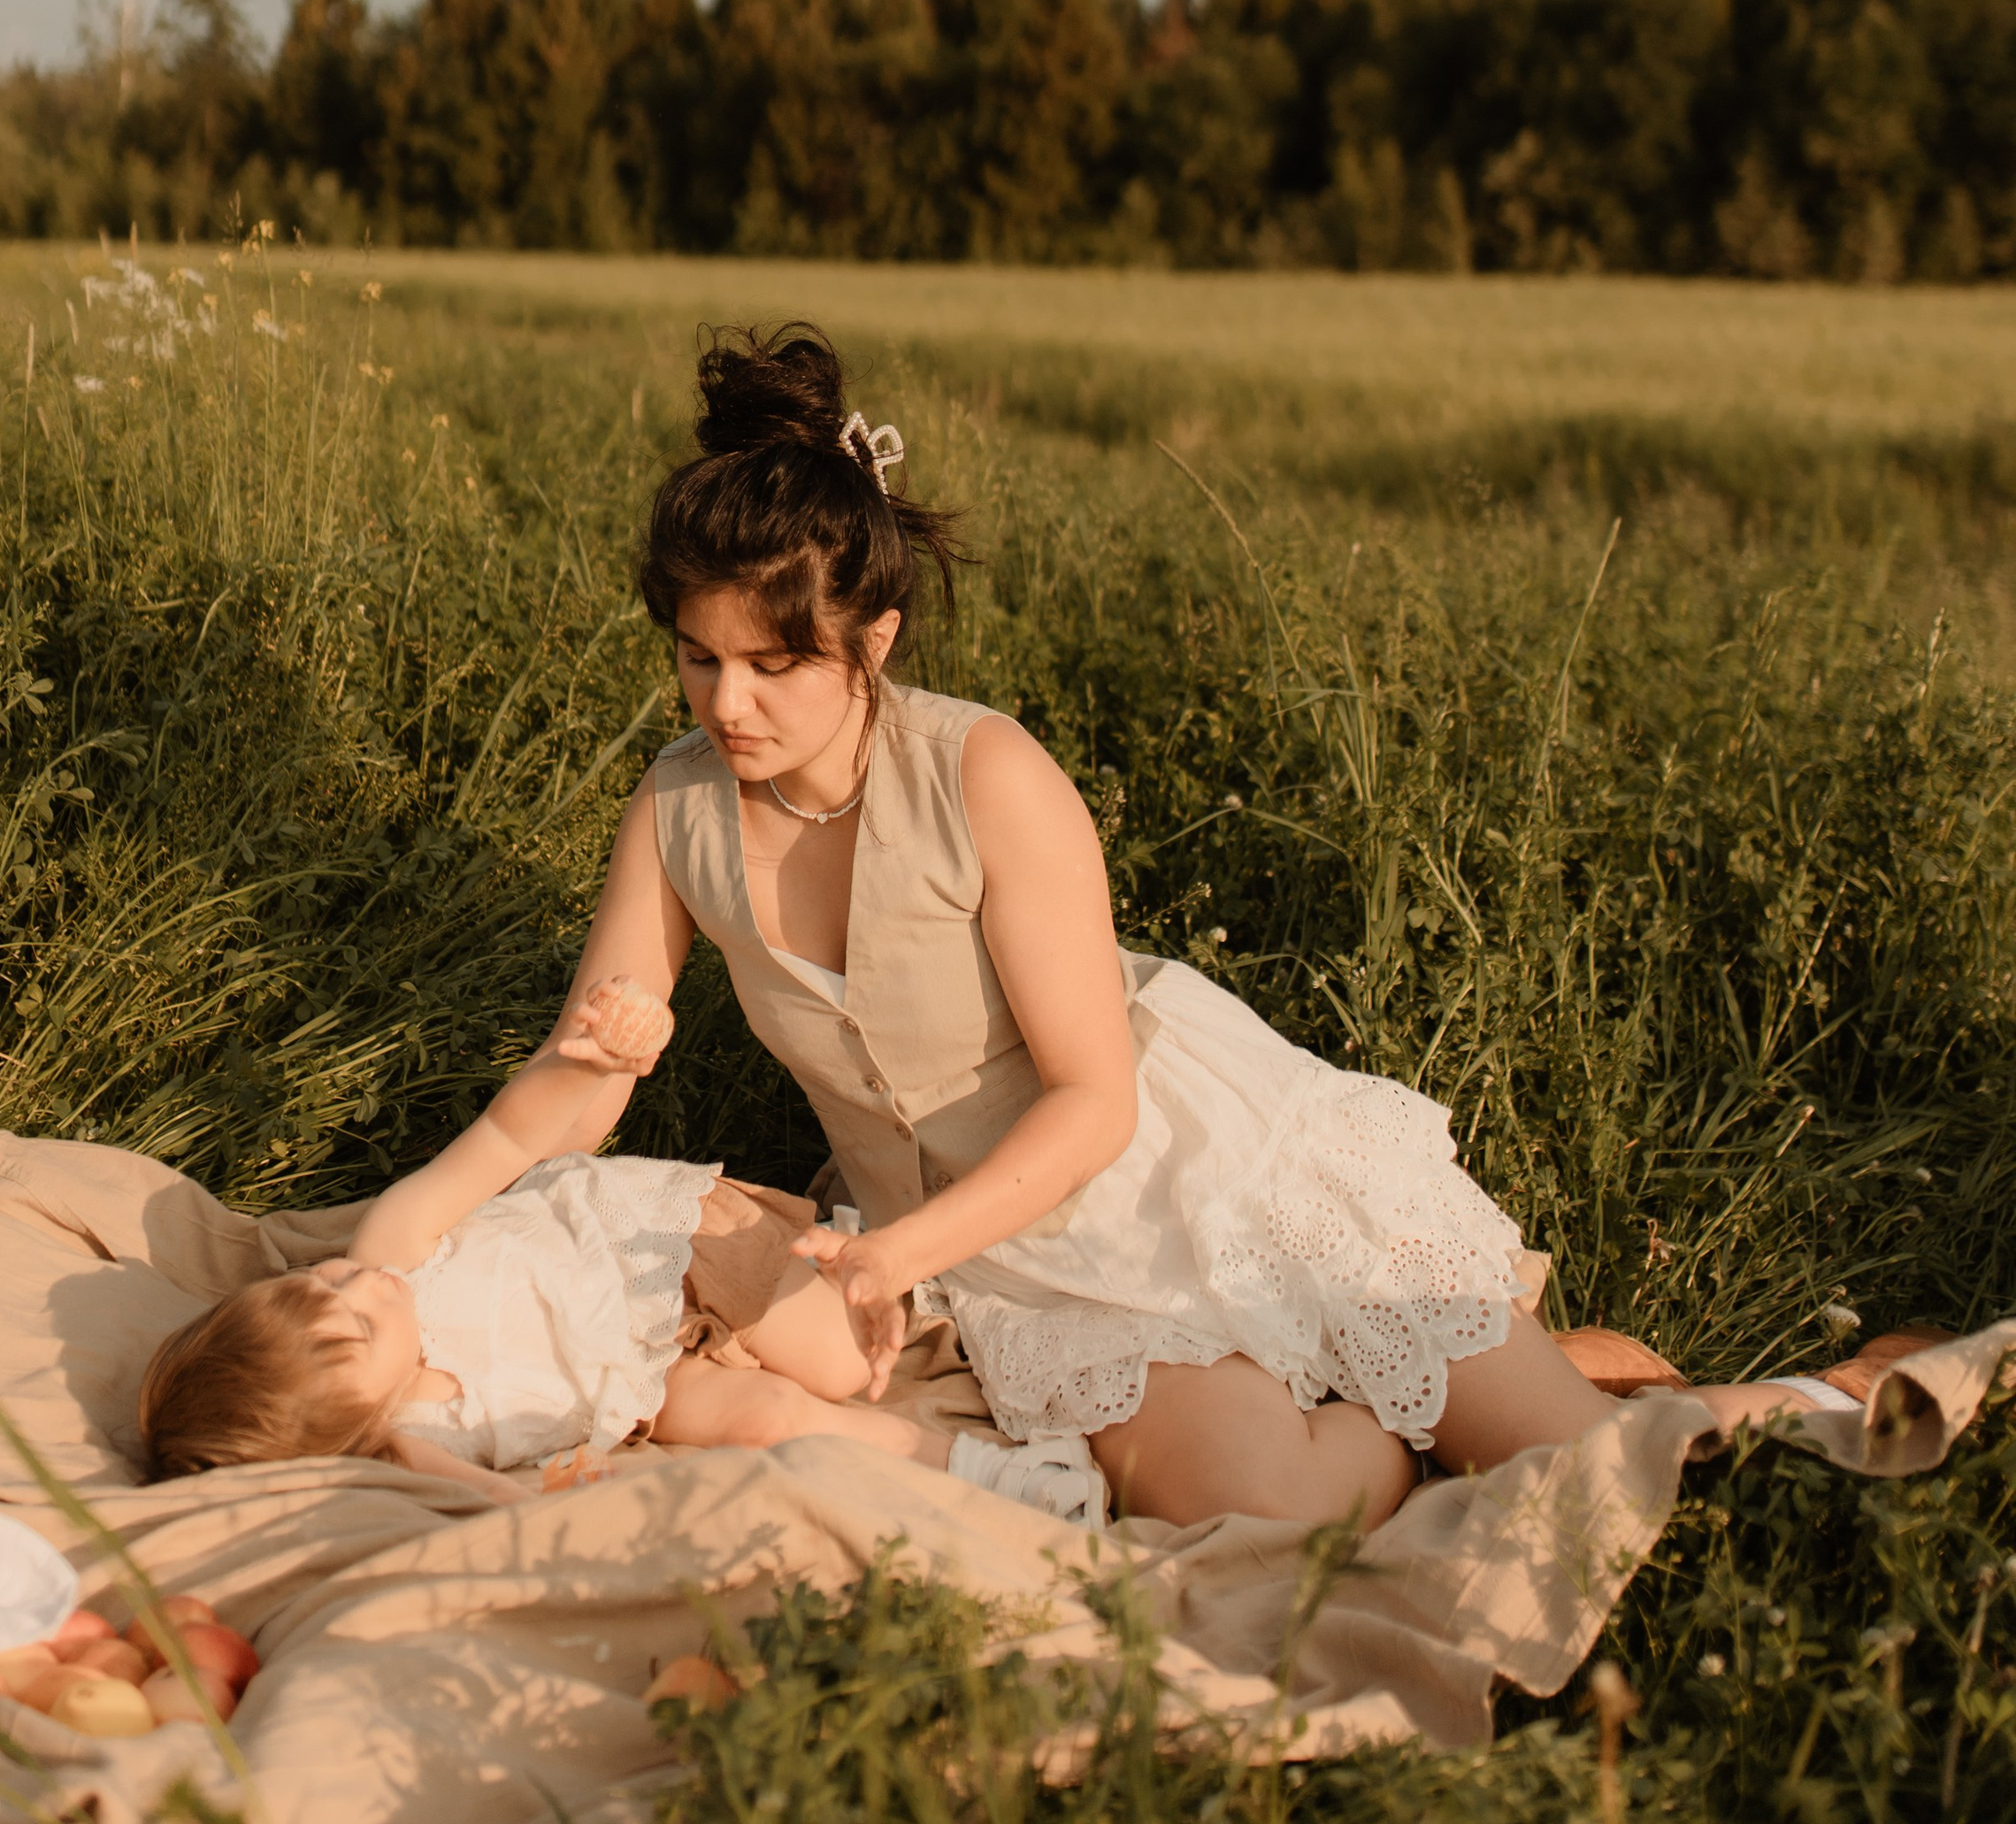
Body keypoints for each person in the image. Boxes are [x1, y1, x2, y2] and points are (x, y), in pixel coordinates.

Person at [349, 326, 1858, 1538]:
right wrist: (407, 1235)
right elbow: (584, 1079)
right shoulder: (674, 816)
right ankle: (1417, 1414)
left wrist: (885, 1269)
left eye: (770, 664)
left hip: (1164, 1169)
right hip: (1007, 1267)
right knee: (1258, 1505)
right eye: (695, 660)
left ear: (870, 641)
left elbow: (1093, 1102)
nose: (725, 705)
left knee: (1575, 1466)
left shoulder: (986, 774)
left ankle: (1832, 1393)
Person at [139, 1132, 1107, 1521]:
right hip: (642, 1383)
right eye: (355, 1324)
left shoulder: (396, 1252)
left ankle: (855, 1226)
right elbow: (498, 1503)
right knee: (773, 1420)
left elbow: (499, 1141)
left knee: (849, 1362)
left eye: (329, 1277)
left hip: (663, 1250)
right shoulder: (409, 1438)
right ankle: (1011, 1482)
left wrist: (586, 1062)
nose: (362, 1285)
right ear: (352, 1421)